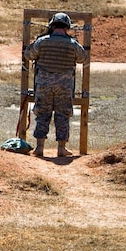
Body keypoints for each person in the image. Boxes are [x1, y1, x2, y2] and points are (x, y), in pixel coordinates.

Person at [23, 12, 89, 158]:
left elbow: (29, 55)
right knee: (63, 115)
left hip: (44, 84)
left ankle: (39, 148)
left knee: (42, 114)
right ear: (67, 27)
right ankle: (61, 148)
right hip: (64, 86)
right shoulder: (72, 44)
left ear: (52, 25)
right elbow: (84, 58)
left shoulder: (42, 42)